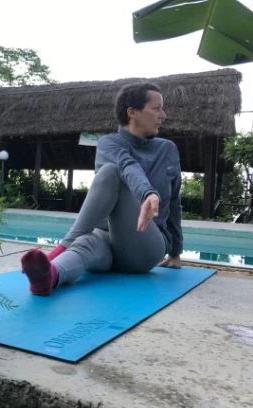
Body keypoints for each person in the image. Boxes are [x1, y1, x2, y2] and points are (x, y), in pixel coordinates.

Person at [21, 82, 183, 296]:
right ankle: (49, 276)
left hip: (144, 246)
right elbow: (127, 165)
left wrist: (175, 251)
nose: (163, 115)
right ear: (132, 112)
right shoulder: (108, 143)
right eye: (156, 108)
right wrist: (148, 192)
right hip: (106, 241)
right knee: (85, 244)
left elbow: (174, 202)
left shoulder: (167, 149)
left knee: (111, 171)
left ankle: (61, 247)